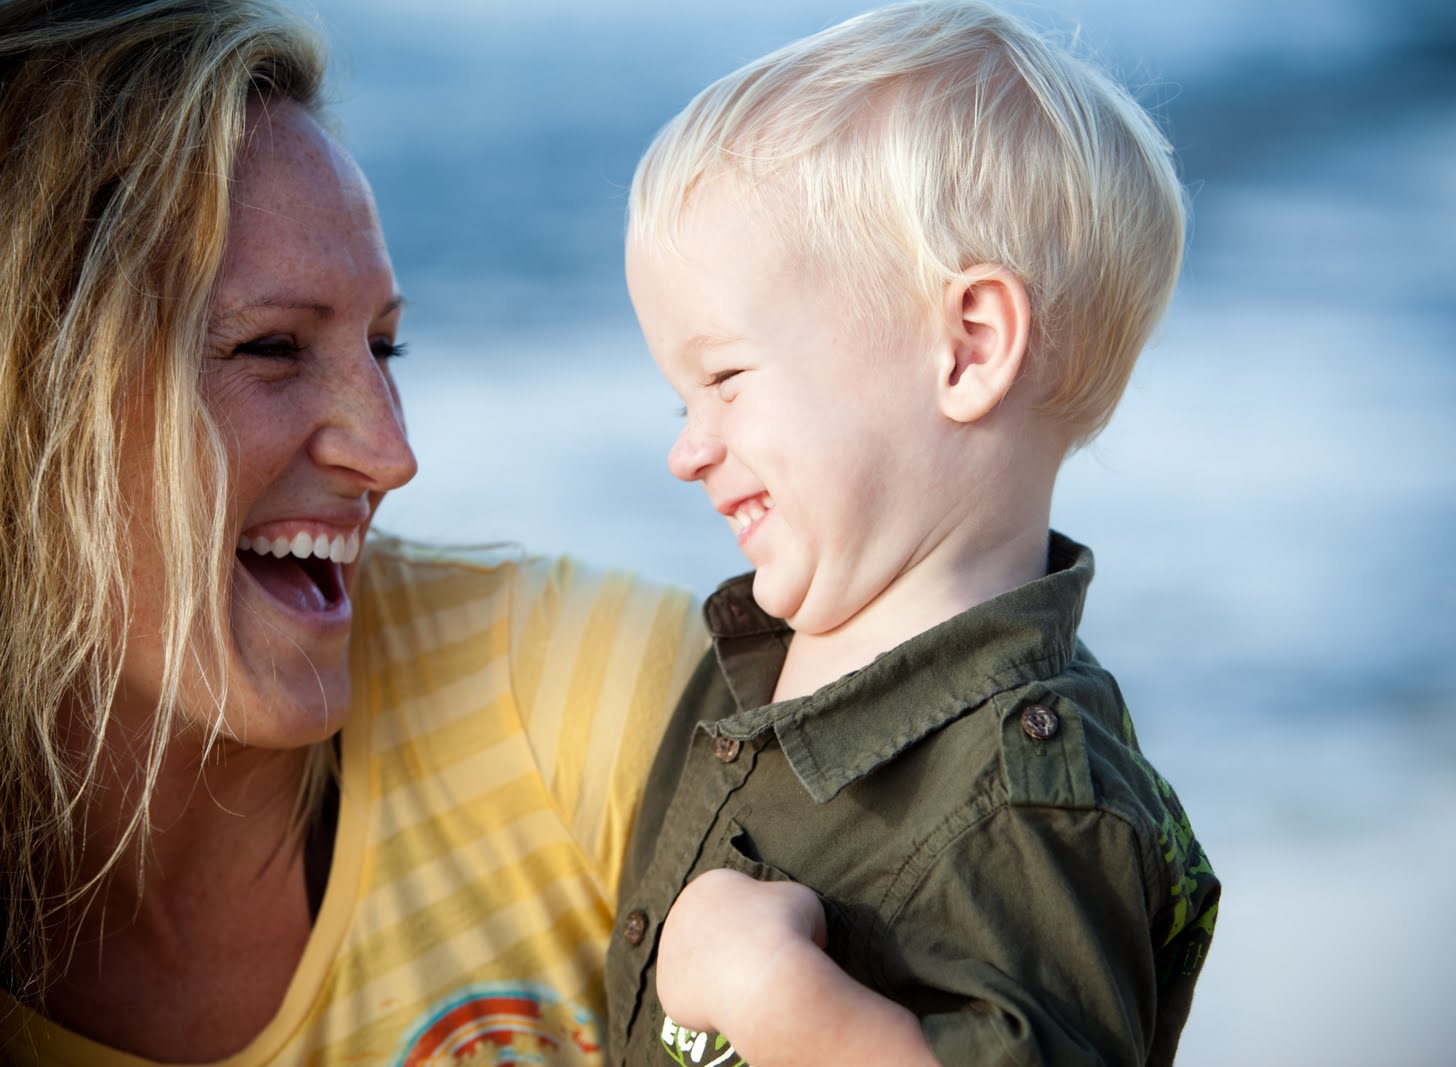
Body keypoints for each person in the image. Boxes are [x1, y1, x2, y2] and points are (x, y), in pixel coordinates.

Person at [0, 1, 704, 1062]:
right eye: (272, 348)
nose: (390, 453)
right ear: (30, 397)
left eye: (385, 348)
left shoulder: (585, 694)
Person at [605, 2, 1220, 1064]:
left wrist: (776, 996)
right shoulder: (749, 664)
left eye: (726, 378)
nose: (687, 450)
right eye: (680, 400)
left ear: (968, 346)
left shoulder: (1035, 808)